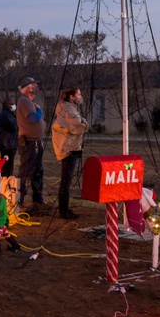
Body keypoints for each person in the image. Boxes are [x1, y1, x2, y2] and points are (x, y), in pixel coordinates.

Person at [51, 86, 89, 220]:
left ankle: (64, 209)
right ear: (71, 97)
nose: (80, 97)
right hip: (69, 148)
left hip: (70, 147)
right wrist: (84, 124)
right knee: (66, 181)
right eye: (78, 94)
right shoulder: (68, 110)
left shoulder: (67, 108)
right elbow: (77, 125)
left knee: (66, 180)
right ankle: (64, 210)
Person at [16, 76, 46, 208]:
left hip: (36, 142)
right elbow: (34, 118)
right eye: (34, 86)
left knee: (38, 171)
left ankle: (37, 200)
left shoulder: (29, 102)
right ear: (28, 88)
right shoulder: (23, 101)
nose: (36, 88)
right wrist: (39, 110)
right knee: (26, 171)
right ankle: (18, 199)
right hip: (29, 143)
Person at [0, 96, 18, 178]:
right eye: (12, 104)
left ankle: (6, 178)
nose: (14, 105)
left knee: (8, 165)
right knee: (7, 165)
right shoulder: (6, 115)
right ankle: (6, 180)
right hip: (7, 144)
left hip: (8, 143)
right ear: (8, 105)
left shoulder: (8, 114)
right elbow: (13, 126)